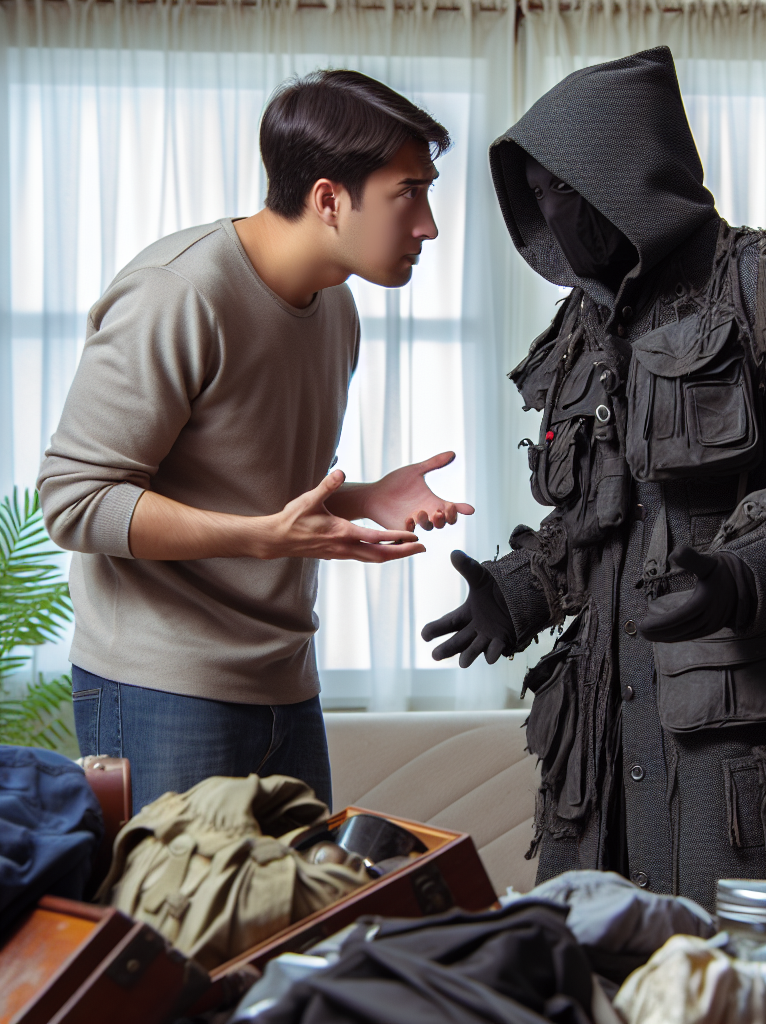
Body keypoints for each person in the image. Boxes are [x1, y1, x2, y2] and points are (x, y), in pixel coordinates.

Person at [422, 46, 766, 933]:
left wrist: (741, 573)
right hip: (600, 736)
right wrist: (518, 591)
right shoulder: (577, 329)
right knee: (602, 971)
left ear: (626, 177)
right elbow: (594, 519)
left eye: (563, 190)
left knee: (759, 974)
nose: (550, 214)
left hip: (741, 727)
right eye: (538, 194)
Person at [37, 70, 472, 812]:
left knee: (298, 924)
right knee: (176, 928)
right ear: (329, 199)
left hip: (286, 684)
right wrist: (262, 539)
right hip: (157, 687)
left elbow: (249, 486)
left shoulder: (337, 309)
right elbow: (75, 502)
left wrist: (365, 495)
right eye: (410, 194)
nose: (428, 225)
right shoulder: (178, 293)